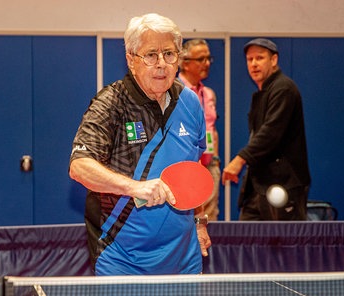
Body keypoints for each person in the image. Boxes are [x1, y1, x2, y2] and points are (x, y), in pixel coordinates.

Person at [69, 13, 211, 275]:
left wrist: (200, 221)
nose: (161, 64)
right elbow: (80, 166)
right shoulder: (111, 104)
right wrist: (136, 187)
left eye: (169, 54)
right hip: (122, 259)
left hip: (184, 258)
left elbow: (193, 170)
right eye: (151, 55)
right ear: (131, 60)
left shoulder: (190, 103)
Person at [222, 38, 311, 221]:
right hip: (259, 185)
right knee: (246, 244)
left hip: (283, 184)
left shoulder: (284, 88)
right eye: (250, 59)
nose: (254, 64)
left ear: (274, 60)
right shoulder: (262, 93)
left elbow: (270, 133)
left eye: (260, 58)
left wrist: (239, 160)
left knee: (285, 246)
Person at [178, 39, 221, 221]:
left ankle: (207, 251)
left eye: (208, 58)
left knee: (209, 217)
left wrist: (216, 160)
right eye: (201, 59)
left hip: (209, 164)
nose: (207, 63)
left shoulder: (208, 93)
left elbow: (212, 128)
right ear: (185, 63)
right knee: (186, 219)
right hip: (185, 166)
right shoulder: (174, 91)